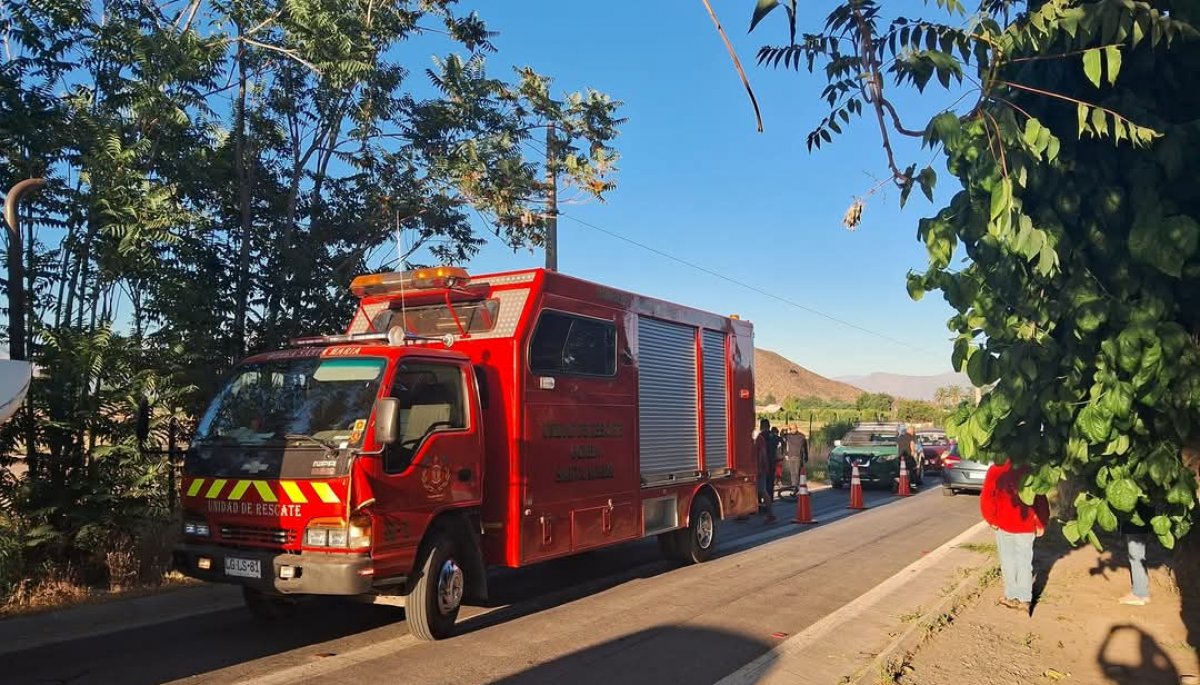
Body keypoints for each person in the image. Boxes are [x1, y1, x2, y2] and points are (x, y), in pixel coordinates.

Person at [980, 459, 1050, 613]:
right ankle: (1024, 599)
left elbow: (987, 497)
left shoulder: (996, 470)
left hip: (1003, 523)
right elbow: (1040, 499)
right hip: (1026, 525)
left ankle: (1011, 596)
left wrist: (991, 519)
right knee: (1024, 561)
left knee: (1008, 561)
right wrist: (1041, 522)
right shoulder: (1031, 468)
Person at [1119, 500, 1156, 606]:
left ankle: (1140, 594)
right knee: (1139, 554)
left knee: (1135, 555)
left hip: (1135, 518)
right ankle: (1141, 590)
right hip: (1145, 515)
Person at [755, 419, 777, 523]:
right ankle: (768, 508)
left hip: (761, 466)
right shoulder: (773, 436)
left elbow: (762, 454)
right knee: (769, 487)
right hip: (771, 464)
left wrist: (759, 466)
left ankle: (766, 510)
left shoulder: (760, 437)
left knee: (762, 490)